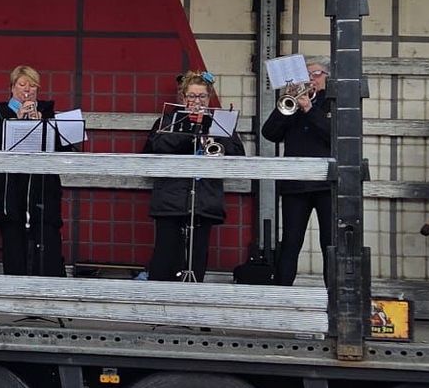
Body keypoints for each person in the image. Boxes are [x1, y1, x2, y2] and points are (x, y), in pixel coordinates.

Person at [143, 72, 243, 283]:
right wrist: (188, 131)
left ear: (209, 98)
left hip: (204, 200)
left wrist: (215, 139)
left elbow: (238, 156)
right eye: (192, 96)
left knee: (197, 254)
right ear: (183, 97)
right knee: (165, 254)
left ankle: (192, 295)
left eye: (202, 96)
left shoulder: (219, 122)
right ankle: (159, 296)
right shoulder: (167, 121)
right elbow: (153, 150)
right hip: (171, 200)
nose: (197, 101)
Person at [0, 64, 64, 277]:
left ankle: (47, 288)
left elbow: (62, 148)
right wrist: (15, 121)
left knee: (47, 243)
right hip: (10, 189)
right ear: (12, 87)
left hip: (41, 188)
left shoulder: (47, 113)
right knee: (14, 245)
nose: (27, 89)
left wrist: (41, 124)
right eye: (22, 84)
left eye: (32, 85)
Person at [260, 60, 333, 286]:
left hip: (327, 185)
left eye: (316, 73)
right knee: (290, 242)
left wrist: (309, 109)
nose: (311, 78)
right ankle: (281, 293)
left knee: (330, 243)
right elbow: (269, 133)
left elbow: (334, 136)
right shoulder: (291, 105)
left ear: (327, 77)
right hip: (295, 185)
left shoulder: (333, 103)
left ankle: (333, 295)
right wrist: (287, 104)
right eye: (306, 74)